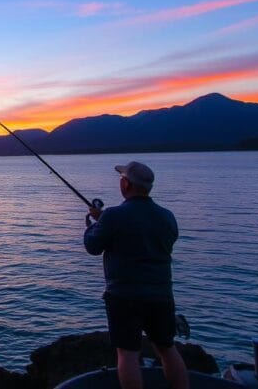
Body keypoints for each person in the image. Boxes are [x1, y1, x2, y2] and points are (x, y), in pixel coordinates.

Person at [84, 161, 189, 389]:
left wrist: (93, 225)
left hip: (124, 296)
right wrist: (105, 221)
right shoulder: (167, 217)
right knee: (166, 348)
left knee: (128, 354)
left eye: (122, 178)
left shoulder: (113, 216)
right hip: (161, 294)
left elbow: (92, 246)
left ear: (126, 184)